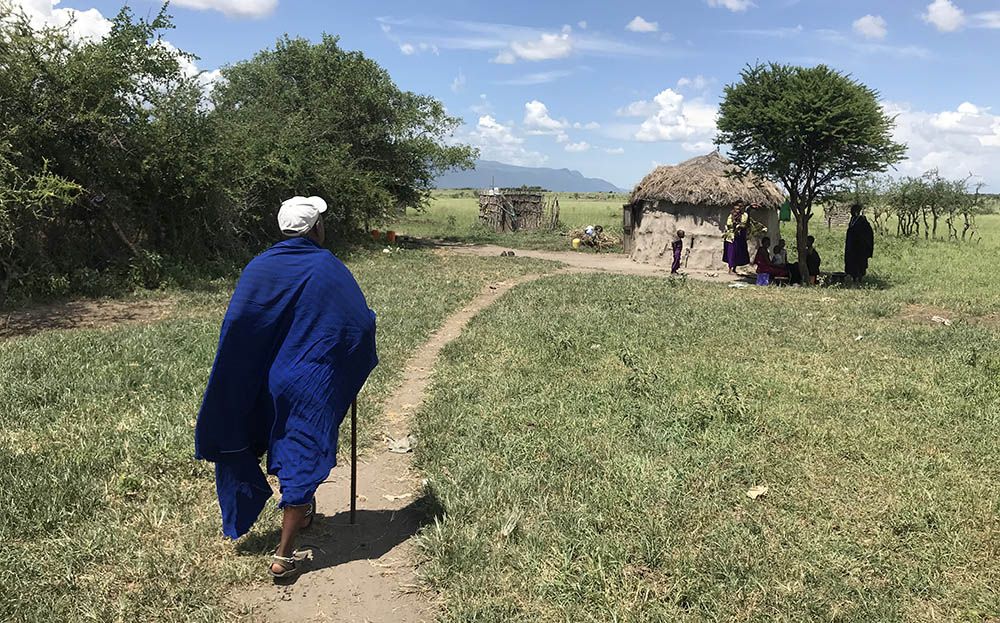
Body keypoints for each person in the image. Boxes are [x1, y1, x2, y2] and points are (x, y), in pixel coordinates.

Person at [195, 196, 378, 579]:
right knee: (301, 451)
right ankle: (284, 553)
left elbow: (241, 327)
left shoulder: (259, 267)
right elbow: (358, 325)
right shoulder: (327, 267)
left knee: (283, 441)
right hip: (309, 379)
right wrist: (363, 328)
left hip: (269, 378)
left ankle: (303, 508)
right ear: (315, 229)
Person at [845, 203, 875, 283]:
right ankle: (854, 278)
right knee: (852, 262)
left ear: (856, 211)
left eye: (852, 210)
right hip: (851, 246)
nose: (851, 212)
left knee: (860, 263)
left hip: (860, 247)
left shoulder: (862, 221)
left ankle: (860, 278)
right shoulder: (852, 219)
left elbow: (868, 234)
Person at [723, 202, 750, 273]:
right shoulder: (731, 216)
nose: (737, 210)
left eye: (739, 208)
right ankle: (730, 269)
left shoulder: (744, 215)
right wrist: (733, 224)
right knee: (731, 253)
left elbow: (745, 224)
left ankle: (734, 268)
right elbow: (728, 224)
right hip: (731, 237)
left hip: (739, 237)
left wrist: (739, 226)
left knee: (737, 253)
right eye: (736, 209)